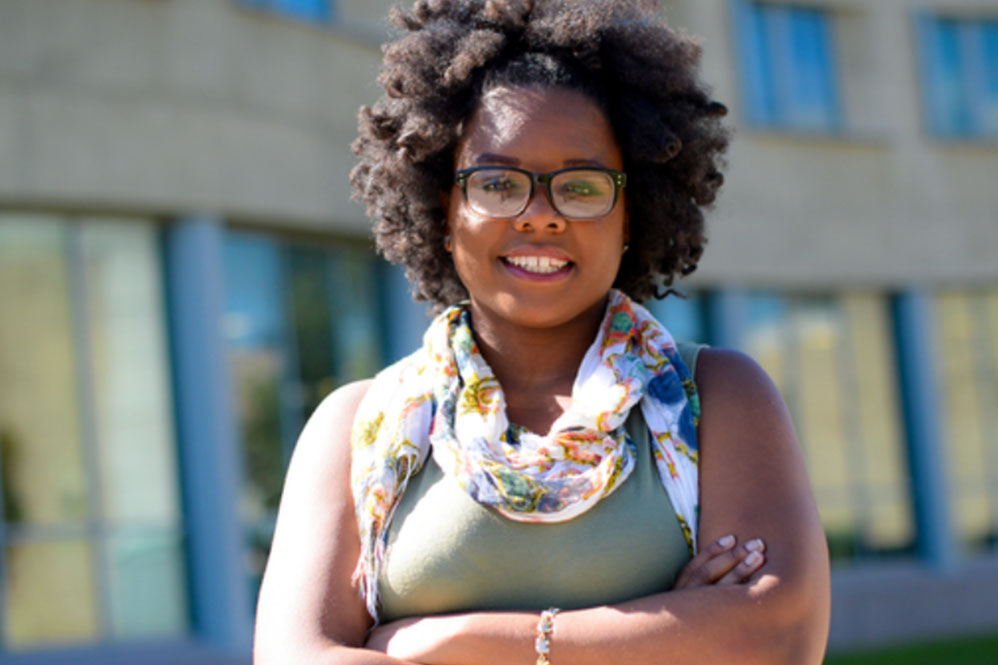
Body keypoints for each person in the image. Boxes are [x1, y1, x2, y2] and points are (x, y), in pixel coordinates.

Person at [253, 1, 830, 664]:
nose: (540, 216)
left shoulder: (718, 398)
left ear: (631, 213)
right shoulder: (357, 426)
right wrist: (670, 629)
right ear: (443, 209)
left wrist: (446, 640)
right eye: (497, 183)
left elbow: (775, 638)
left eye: (580, 187)